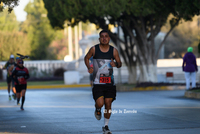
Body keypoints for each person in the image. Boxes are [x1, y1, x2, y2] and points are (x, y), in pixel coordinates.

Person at [84, 29, 122, 134]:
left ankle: (106, 126)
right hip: (98, 83)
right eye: (102, 36)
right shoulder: (94, 49)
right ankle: (97, 108)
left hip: (110, 83)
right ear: (99, 38)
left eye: (106, 36)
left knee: (108, 103)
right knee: (100, 103)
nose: (104, 38)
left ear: (109, 38)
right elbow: (86, 58)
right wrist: (89, 67)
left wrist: (116, 64)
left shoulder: (113, 50)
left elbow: (119, 63)